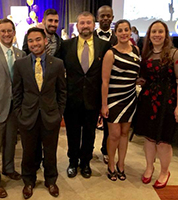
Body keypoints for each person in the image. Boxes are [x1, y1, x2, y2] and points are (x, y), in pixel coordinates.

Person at [13, 27, 66, 199]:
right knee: (28, 152)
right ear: (27, 43)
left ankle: (51, 181)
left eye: (37, 39)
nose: (34, 43)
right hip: (28, 116)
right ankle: (28, 181)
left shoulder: (57, 63)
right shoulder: (20, 64)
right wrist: (20, 114)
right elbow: (17, 93)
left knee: (50, 152)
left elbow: (62, 92)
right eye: (30, 41)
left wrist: (59, 113)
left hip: (51, 116)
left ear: (44, 41)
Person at [134, 20, 178, 188]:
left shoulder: (175, 54)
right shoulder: (146, 54)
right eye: (153, 31)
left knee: (163, 141)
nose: (157, 35)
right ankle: (149, 168)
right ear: (149, 35)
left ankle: (164, 172)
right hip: (148, 101)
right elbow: (146, 77)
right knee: (149, 139)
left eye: (160, 32)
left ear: (166, 35)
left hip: (167, 103)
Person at [61, 11, 110, 179]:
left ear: (93, 24)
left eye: (88, 22)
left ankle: (86, 162)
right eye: (82, 23)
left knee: (90, 133)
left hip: (93, 99)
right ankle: (73, 162)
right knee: (72, 133)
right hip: (71, 99)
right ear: (77, 25)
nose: (85, 26)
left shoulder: (104, 46)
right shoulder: (66, 45)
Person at [0, 18, 26, 198]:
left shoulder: (21, 54)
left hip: (15, 108)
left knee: (11, 141)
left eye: (9, 30)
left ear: (14, 32)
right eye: (3, 31)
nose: (7, 34)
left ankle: (8, 169)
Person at [101, 19, 140, 181]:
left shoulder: (136, 50)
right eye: (120, 30)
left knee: (125, 133)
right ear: (115, 33)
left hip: (130, 98)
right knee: (115, 134)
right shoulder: (111, 53)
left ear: (130, 31)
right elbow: (105, 81)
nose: (124, 33)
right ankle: (111, 164)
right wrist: (104, 104)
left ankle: (121, 165)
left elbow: (135, 73)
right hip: (114, 99)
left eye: (126, 30)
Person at [94, 5, 117, 165]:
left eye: (108, 16)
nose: (105, 18)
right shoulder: (89, 36)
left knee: (109, 122)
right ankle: (86, 151)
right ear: (97, 17)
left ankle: (106, 150)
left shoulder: (118, 38)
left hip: (112, 88)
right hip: (91, 86)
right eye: (102, 16)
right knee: (88, 122)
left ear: (112, 17)